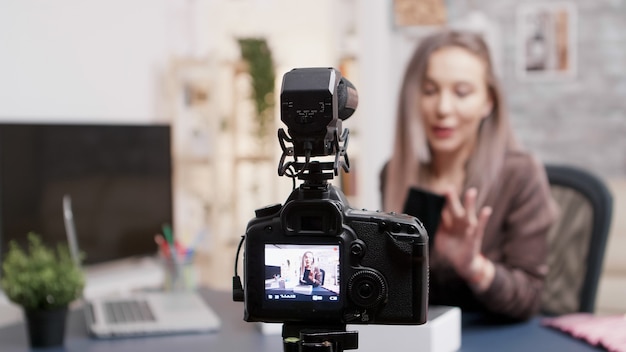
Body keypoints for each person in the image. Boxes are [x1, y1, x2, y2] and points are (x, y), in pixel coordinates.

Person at [381, 29, 558, 321]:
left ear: (488, 101)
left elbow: (528, 298)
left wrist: (475, 267)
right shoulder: (395, 174)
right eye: (429, 91)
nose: (443, 108)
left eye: (461, 92)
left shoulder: (520, 174)